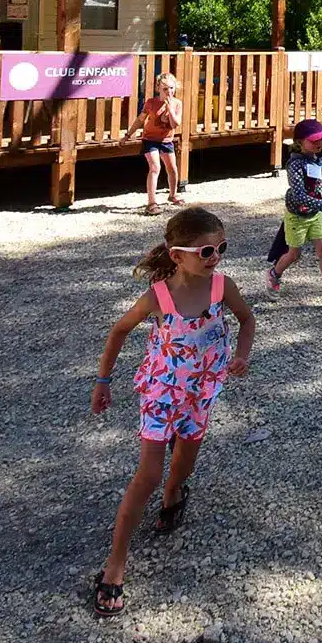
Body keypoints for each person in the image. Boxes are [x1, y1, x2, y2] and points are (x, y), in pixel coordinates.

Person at [90, 207, 255, 618]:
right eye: (205, 251)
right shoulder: (158, 296)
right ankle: (114, 566)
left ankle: (175, 493)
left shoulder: (222, 287)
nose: (215, 257)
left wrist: (242, 354)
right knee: (146, 475)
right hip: (162, 393)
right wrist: (103, 380)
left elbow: (247, 318)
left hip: (202, 388)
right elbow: (119, 331)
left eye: (221, 248)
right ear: (177, 254)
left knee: (186, 458)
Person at [267, 119, 322, 303]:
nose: (319, 143)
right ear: (300, 142)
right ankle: (274, 274)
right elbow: (299, 195)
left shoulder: (321, 159)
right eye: (313, 140)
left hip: (315, 214)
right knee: (294, 254)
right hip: (297, 216)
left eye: (321, 139)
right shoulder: (295, 165)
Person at [126, 73, 184, 216]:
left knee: (172, 168)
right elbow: (140, 119)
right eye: (165, 89)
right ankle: (151, 203)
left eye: (171, 88)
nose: (169, 91)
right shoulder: (151, 103)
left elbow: (175, 124)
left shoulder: (177, 103)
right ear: (158, 88)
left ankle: (173, 194)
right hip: (150, 139)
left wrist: (170, 109)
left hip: (166, 140)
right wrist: (128, 135)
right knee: (155, 167)